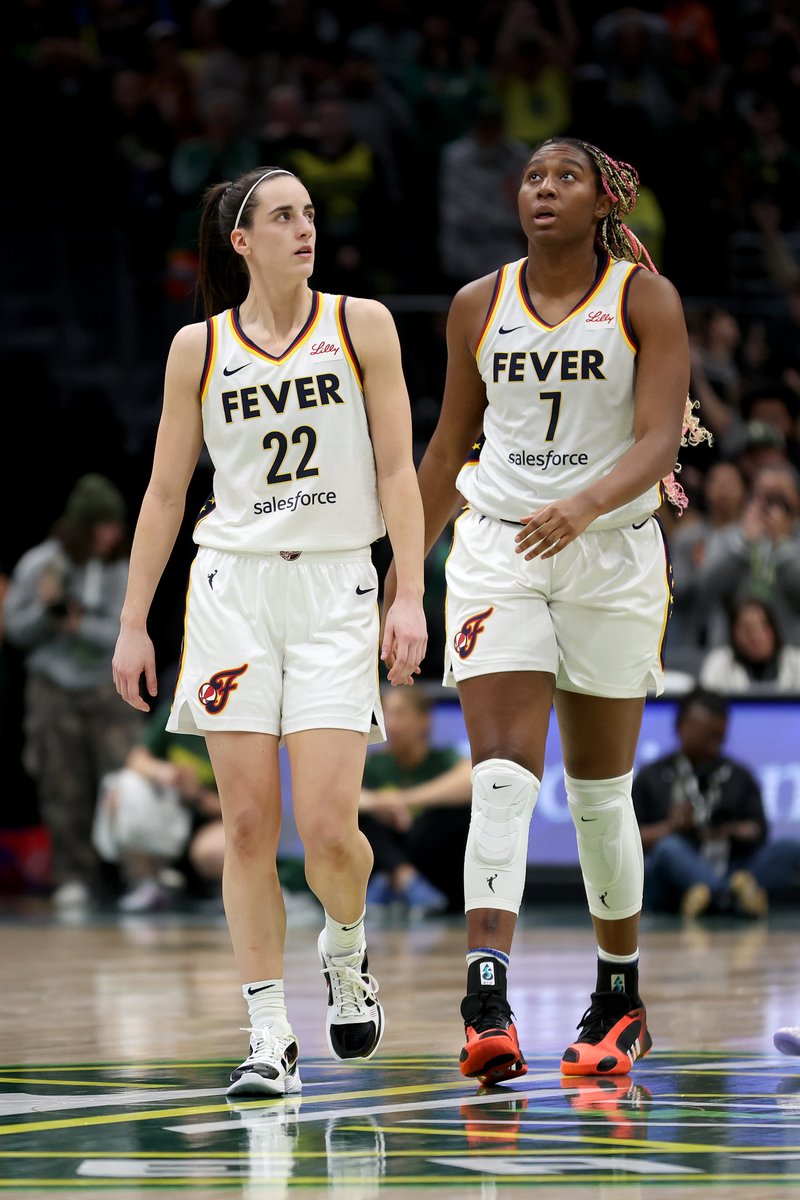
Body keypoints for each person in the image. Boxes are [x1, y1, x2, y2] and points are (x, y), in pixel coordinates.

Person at [384, 135, 709, 1084]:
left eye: (564, 177)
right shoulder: (478, 304)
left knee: (600, 795)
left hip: (607, 548)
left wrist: (585, 504)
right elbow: (445, 452)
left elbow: (658, 440)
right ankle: (487, 998)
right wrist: (404, 578)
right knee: (502, 779)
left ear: (604, 201)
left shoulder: (645, 300)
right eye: (531, 177)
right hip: (500, 546)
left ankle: (619, 998)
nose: (543, 190)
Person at [112, 166, 427, 1098]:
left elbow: (400, 473)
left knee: (331, 832)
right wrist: (136, 620)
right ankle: (267, 1032)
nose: (305, 228)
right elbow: (167, 493)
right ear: (240, 241)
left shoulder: (360, 323)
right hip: (230, 590)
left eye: (311, 214)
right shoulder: (196, 348)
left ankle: (346, 945)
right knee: (249, 822)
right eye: (284, 216)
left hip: (335, 584)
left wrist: (407, 593)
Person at [4, 475, 142, 911]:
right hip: (53, 689)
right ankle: (73, 876)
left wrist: (78, 622)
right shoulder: (38, 565)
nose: (112, 534)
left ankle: (139, 875)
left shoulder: (122, 569)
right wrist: (50, 612)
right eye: (102, 526)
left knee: (126, 780)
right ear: (82, 526)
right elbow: (17, 631)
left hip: (105, 687)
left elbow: (124, 634)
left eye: (115, 525)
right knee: (62, 785)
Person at [633, 687, 800, 918]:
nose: (713, 744)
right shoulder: (652, 776)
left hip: (733, 865)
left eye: (719, 737)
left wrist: (736, 830)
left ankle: (717, 896)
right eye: (706, 736)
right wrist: (671, 827)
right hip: (677, 877)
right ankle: (732, 898)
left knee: (790, 848)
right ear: (681, 726)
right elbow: (629, 840)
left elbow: (760, 832)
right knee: (667, 849)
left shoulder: (739, 775)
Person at [92, 696, 226, 913]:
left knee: (213, 849)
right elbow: (137, 760)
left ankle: (232, 892)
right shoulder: (177, 707)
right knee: (124, 789)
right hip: (171, 815)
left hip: (211, 824)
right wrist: (166, 774)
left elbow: (247, 805)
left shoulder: (234, 721)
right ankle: (148, 881)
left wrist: (197, 795)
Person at [360, 686, 472, 915]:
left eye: (400, 714)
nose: (391, 723)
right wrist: (381, 804)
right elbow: (347, 798)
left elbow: (471, 779)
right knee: (359, 819)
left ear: (424, 720)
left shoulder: (442, 759)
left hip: (432, 857)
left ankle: (395, 883)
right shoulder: (375, 764)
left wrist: (404, 800)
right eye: (387, 714)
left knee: (457, 813)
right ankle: (403, 879)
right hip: (389, 850)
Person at [699, 595, 800, 693]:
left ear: (774, 629)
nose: (757, 635)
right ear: (735, 634)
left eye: (763, 626)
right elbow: (706, 704)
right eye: (748, 629)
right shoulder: (719, 663)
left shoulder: (796, 661)